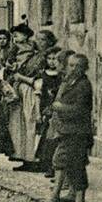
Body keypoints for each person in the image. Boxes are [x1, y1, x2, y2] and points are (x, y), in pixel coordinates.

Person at [46, 53, 94, 202]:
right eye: (71, 65)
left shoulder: (83, 85)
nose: (73, 69)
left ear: (84, 68)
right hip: (67, 130)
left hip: (77, 131)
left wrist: (60, 107)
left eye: (77, 66)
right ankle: (69, 195)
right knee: (64, 161)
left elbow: (80, 110)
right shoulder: (70, 82)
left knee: (75, 165)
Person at [5, 24, 45, 169]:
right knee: (18, 121)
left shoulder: (34, 47)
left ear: (26, 36)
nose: (15, 38)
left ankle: (31, 156)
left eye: (17, 35)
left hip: (29, 84)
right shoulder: (14, 48)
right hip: (19, 81)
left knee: (30, 119)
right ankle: (21, 154)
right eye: (13, 36)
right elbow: (9, 62)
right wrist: (11, 65)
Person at [34, 47, 67, 178]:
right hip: (46, 109)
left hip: (59, 110)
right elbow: (38, 95)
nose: (52, 62)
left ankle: (56, 167)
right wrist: (37, 112)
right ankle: (47, 165)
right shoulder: (42, 75)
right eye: (49, 59)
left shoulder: (62, 76)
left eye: (55, 59)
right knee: (47, 139)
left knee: (57, 139)